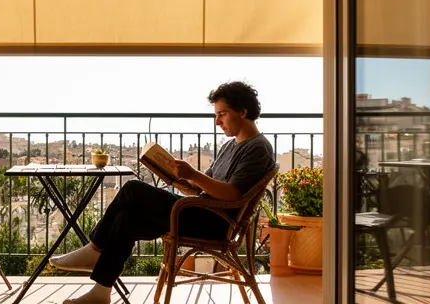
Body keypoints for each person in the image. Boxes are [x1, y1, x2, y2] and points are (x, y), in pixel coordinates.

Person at [49, 81, 277, 304]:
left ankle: (95, 248)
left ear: (243, 111)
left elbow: (233, 195)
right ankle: (101, 292)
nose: (217, 122)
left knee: (132, 188)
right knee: (125, 219)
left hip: (216, 223)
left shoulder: (258, 148)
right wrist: (179, 179)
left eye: (222, 114)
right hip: (202, 211)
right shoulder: (231, 145)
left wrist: (194, 174)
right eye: (216, 115)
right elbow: (205, 187)